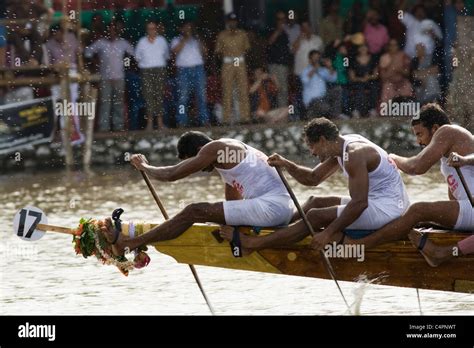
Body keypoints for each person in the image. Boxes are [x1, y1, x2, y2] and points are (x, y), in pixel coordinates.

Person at [219, 117, 410, 253]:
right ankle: (278, 228)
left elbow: (359, 203)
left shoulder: (354, 154)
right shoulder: (343, 146)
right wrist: (287, 164)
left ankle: (254, 243)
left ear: (323, 140)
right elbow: (313, 178)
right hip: (382, 202)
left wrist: (328, 233)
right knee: (314, 201)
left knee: (316, 215)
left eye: (312, 147)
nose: (312, 153)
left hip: (390, 209)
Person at [99, 131, 295, 256]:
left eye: (195, 161)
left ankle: (130, 243)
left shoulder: (216, 148)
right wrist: (222, 224)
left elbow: (172, 174)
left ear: (202, 150)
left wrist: (145, 166)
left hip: (274, 208)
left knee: (193, 210)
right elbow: (232, 202)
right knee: (201, 212)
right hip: (279, 209)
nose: (199, 168)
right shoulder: (227, 157)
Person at [340, 103, 474, 266]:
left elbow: (416, 167)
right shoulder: (447, 155)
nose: (418, 141)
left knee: (417, 210)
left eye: (420, 134)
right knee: (406, 217)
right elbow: (454, 200)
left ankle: (361, 245)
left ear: (435, 128)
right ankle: (420, 242)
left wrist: (394, 158)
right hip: (468, 210)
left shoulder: (448, 131)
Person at [85, 21, 134, 132]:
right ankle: (104, 128)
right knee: (105, 103)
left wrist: (127, 64)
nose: (111, 32)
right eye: (109, 30)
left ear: (117, 31)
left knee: (118, 103)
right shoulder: (101, 43)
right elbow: (87, 52)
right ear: (106, 31)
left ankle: (118, 126)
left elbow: (133, 54)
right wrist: (95, 63)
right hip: (105, 78)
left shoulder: (122, 43)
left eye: (114, 30)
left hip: (119, 77)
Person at [171, 21, 209, 127]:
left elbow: (205, 52)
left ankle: (204, 120)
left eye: (190, 27)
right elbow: (175, 51)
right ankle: (182, 121)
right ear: (181, 29)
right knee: (183, 97)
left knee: (201, 95)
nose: (188, 29)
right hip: (183, 70)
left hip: (198, 69)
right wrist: (185, 39)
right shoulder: (176, 39)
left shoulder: (196, 40)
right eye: (186, 28)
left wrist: (199, 40)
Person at [215, 13, 251, 124]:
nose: (232, 23)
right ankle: (226, 119)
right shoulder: (222, 35)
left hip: (239, 62)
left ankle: (245, 118)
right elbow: (218, 52)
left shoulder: (242, 34)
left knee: (243, 90)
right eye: (230, 21)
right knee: (227, 90)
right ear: (227, 22)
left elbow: (247, 49)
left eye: (234, 21)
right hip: (228, 62)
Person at [135, 20, 169, 130]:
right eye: (149, 28)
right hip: (146, 70)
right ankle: (149, 124)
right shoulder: (142, 41)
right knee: (148, 96)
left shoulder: (162, 40)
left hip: (159, 69)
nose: (152, 31)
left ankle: (160, 123)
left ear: (156, 29)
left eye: (153, 28)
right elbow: (137, 57)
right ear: (147, 30)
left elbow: (166, 56)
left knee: (159, 95)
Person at [301, 50, 337, 118]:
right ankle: (311, 113)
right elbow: (304, 81)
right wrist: (315, 69)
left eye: (318, 57)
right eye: (315, 57)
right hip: (312, 100)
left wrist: (330, 67)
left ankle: (335, 116)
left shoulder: (322, 70)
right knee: (325, 107)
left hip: (323, 98)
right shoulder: (305, 70)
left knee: (338, 90)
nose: (317, 59)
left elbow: (333, 79)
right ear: (310, 59)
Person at [267, 10, 291, 108]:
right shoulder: (271, 29)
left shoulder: (286, 32)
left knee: (283, 89)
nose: (281, 21)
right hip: (273, 64)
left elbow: (289, 49)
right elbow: (269, 42)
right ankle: (273, 112)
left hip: (283, 65)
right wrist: (278, 31)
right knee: (273, 88)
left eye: (283, 19)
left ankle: (283, 112)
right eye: (279, 19)